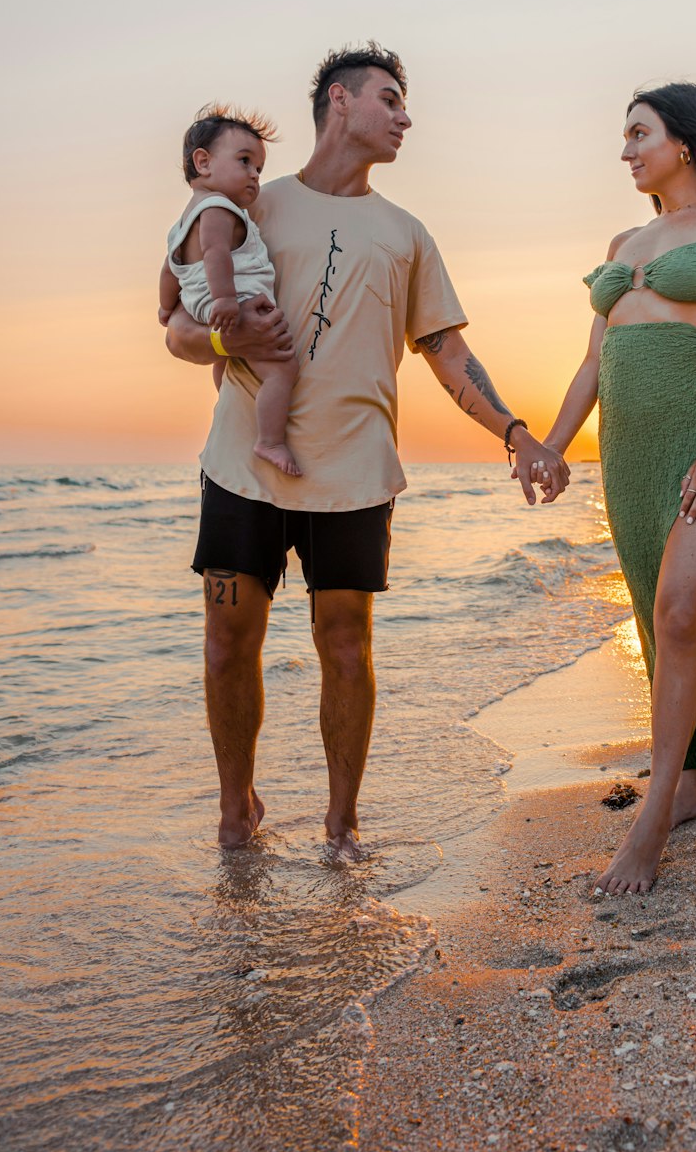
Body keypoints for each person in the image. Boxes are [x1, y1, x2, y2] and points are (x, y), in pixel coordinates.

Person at [163, 42, 569, 852]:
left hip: (353, 476)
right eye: (391, 98)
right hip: (243, 463)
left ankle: (342, 823)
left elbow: (449, 355)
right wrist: (223, 337)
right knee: (224, 643)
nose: (406, 116)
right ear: (340, 104)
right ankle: (235, 806)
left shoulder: (405, 232)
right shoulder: (250, 201)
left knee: (346, 649)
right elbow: (175, 327)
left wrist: (517, 434)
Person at [544, 82, 696, 895]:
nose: (626, 150)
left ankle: (652, 817)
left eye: (638, 133)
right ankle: (690, 787)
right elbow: (592, 360)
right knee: (658, 616)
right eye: (623, 137)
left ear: (684, 140)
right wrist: (551, 444)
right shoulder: (623, 238)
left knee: (683, 608)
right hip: (625, 452)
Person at [159, 104, 302, 477]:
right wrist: (224, 300)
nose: (254, 175)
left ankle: (228, 398)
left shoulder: (180, 224)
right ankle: (269, 440)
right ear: (203, 162)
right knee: (281, 371)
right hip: (235, 304)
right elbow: (215, 252)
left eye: (259, 168)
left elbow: (169, 268)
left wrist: (165, 307)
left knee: (226, 361)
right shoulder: (220, 209)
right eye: (244, 161)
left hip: (203, 308)